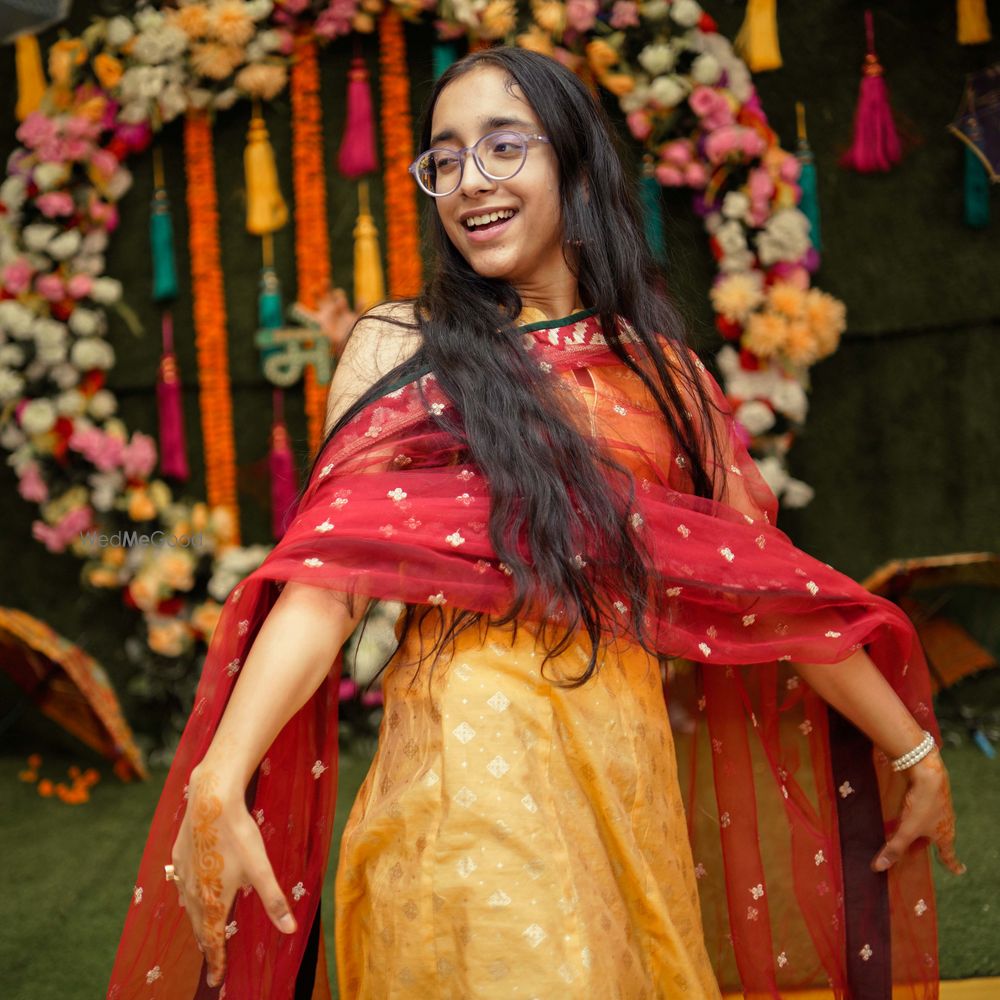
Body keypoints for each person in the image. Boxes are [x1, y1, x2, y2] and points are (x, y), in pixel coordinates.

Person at [107, 48, 964, 1000]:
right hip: (465, 782)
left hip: (626, 790)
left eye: (504, 147)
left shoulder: (663, 374)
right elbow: (330, 583)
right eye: (446, 158)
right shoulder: (403, 346)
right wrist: (221, 773)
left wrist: (914, 750)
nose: (471, 180)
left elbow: (761, 588)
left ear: (577, 166)